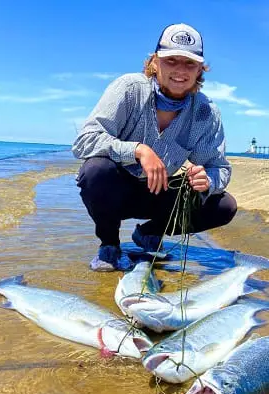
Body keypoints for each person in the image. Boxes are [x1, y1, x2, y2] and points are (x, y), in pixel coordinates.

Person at [72, 23, 237, 272]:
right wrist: (139, 150)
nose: (180, 70)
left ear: (200, 69)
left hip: (161, 194)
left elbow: (219, 168)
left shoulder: (206, 112)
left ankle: (149, 232)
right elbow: (84, 141)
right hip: (117, 191)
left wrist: (207, 179)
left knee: (224, 206)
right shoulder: (129, 89)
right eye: (171, 60)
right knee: (96, 170)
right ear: (155, 62)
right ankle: (109, 245)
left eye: (190, 63)